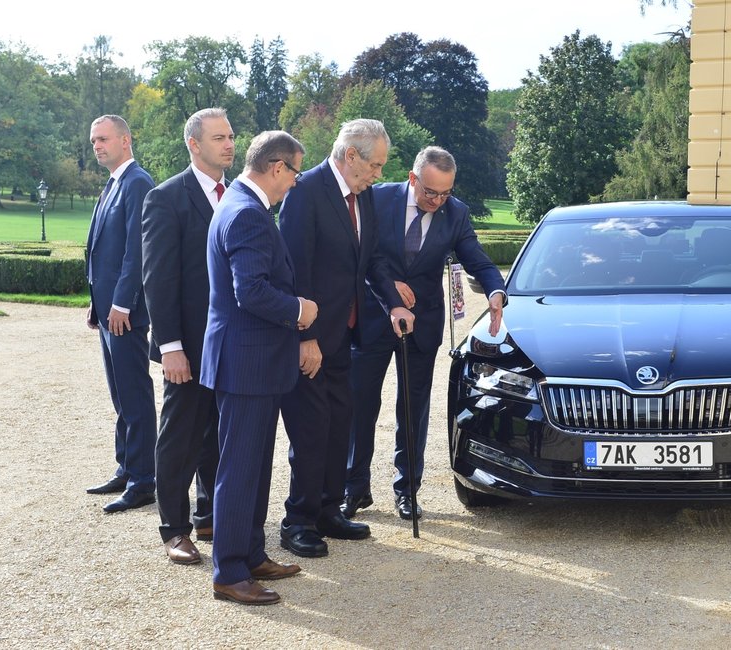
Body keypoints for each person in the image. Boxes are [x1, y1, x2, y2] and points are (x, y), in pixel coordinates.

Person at [343, 146, 506, 521]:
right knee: (359, 406)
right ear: (413, 178)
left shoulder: (456, 213)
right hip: (373, 317)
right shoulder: (375, 197)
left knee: (413, 410)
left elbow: (477, 259)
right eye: (431, 192)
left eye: (445, 192)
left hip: (424, 325)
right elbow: (362, 256)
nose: (437, 200)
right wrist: (390, 287)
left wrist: (496, 292)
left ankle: (407, 491)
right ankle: (353, 489)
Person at [276, 118, 414, 558]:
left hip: (348, 336)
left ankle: (328, 510)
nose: (378, 175)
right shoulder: (305, 193)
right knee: (312, 432)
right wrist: (307, 337)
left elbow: (370, 260)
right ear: (350, 155)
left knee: (340, 426)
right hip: (313, 340)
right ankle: (297, 521)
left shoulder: (364, 195)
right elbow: (293, 271)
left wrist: (393, 302)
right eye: (374, 165)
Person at [201, 130, 317, 606]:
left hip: (251, 361)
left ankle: (249, 554)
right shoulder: (247, 213)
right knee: (240, 469)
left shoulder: (240, 205)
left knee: (251, 467)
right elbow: (250, 291)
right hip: (247, 363)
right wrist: (299, 311)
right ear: (276, 167)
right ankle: (229, 571)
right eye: (295, 172)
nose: (295, 182)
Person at [141, 108, 233, 565]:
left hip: (230, 344)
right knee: (179, 436)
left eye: (232, 136)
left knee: (217, 434)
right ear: (194, 144)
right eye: (219, 137)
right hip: (189, 347)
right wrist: (171, 346)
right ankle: (173, 529)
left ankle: (209, 514)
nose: (229, 144)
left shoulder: (236, 195)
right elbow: (158, 280)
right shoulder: (166, 198)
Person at [84, 115, 157, 514]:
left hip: (125, 313)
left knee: (135, 395)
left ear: (125, 140)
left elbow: (137, 250)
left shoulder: (137, 183)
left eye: (103, 138)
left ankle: (144, 479)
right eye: (93, 140)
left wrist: (121, 303)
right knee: (120, 395)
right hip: (108, 310)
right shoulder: (113, 184)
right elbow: (100, 248)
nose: (97, 145)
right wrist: (97, 303)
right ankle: (126, 467)